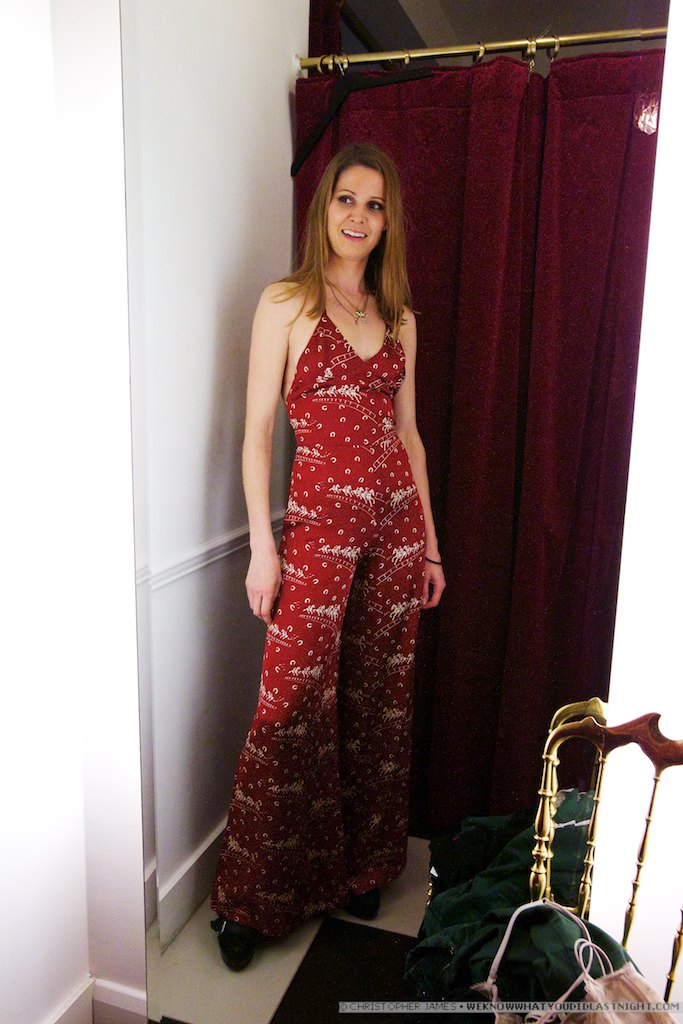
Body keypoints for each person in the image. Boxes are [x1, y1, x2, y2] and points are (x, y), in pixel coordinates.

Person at [210, 142, 446, 970]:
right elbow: (255, 435)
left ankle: (361, 868)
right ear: (324, 209)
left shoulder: (400, 317)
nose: (359, 215)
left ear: (387, 223)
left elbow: (408, 437)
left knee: (376, 704)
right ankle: (252, 901)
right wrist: (261, 547)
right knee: (288, 707)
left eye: (374, 205)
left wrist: (431, 546)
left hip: (394, 534)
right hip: (316, 534)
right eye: (347, 198)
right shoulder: (284, 303)